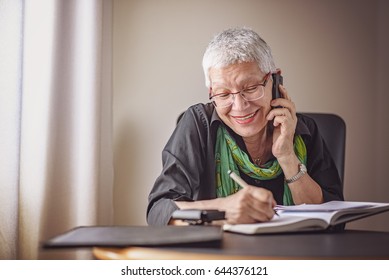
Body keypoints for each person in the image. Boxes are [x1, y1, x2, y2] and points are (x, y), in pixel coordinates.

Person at [147, 27, 343, 226]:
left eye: (250, 88)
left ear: (274, 80)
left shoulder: (304, 129)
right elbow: (160, 210)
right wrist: (223, 210)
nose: (240, 106)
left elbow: (335, 219)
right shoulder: (199, 124)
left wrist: (287, 157)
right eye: (223, 94)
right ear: (211, 91)